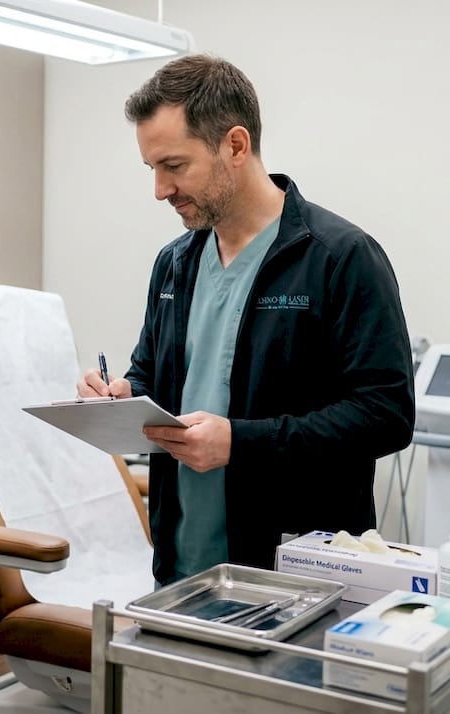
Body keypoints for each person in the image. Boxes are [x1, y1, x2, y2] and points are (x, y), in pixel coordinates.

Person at [77, 54, 415, 585]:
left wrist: (241, 441)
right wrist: (122, 395)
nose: (160, 190)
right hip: (181, 570)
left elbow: (386, 415)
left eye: (175, 166)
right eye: (153, 170)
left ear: (235, 145)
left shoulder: (340, 258)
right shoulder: (175, 264)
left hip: (293, 575)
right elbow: (150, 374)